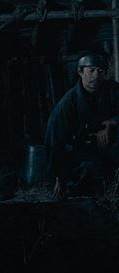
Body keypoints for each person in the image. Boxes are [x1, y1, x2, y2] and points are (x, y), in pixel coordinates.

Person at [45, 53, 119, 198]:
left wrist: (113, 122)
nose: (96, 76)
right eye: (91, 70)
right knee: (88, 171)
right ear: (80, 71)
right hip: (81, 153)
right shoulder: (67, 104)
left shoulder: (113, 89)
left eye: (100, 71)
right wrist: (59, 177)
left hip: (109, 146)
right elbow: (54, 142)